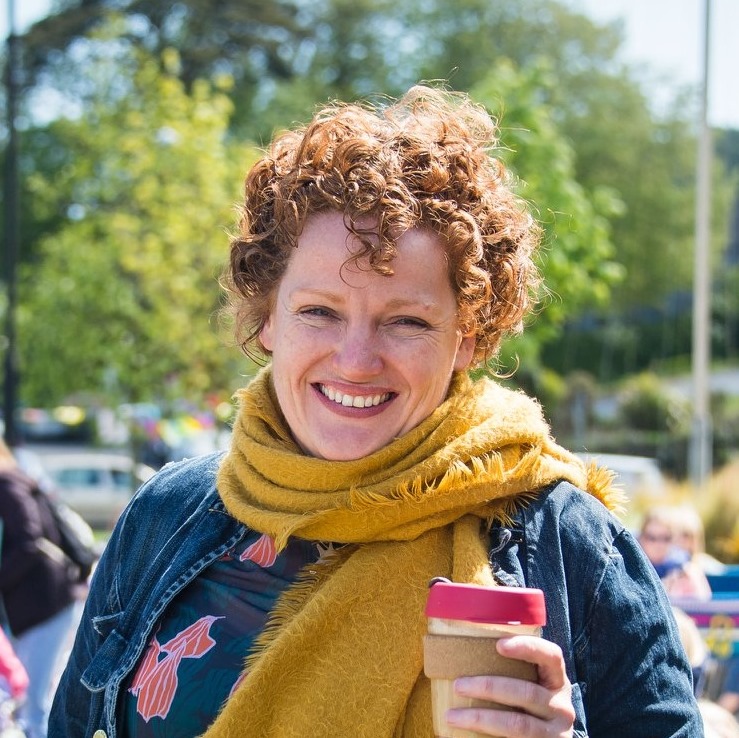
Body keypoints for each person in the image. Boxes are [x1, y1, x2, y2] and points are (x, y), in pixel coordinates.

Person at [49, 85, 702, 737]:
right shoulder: (167, 519)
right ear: (267, 318)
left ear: (466, 337)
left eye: (407, 321)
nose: (356, 359)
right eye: (318, 312)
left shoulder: (568, 545)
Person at [0, 439, 85, 738]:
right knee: (27, 699)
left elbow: (28, 540)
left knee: (30, 703)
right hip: (37, 604)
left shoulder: (6, 482)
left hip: (45, 603)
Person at [639, 506, 712, 601]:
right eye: (652, 538)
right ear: (641, 538)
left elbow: (703, 607)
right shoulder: (630, 571)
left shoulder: (685, 571)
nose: (658, 544)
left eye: (666, 538)